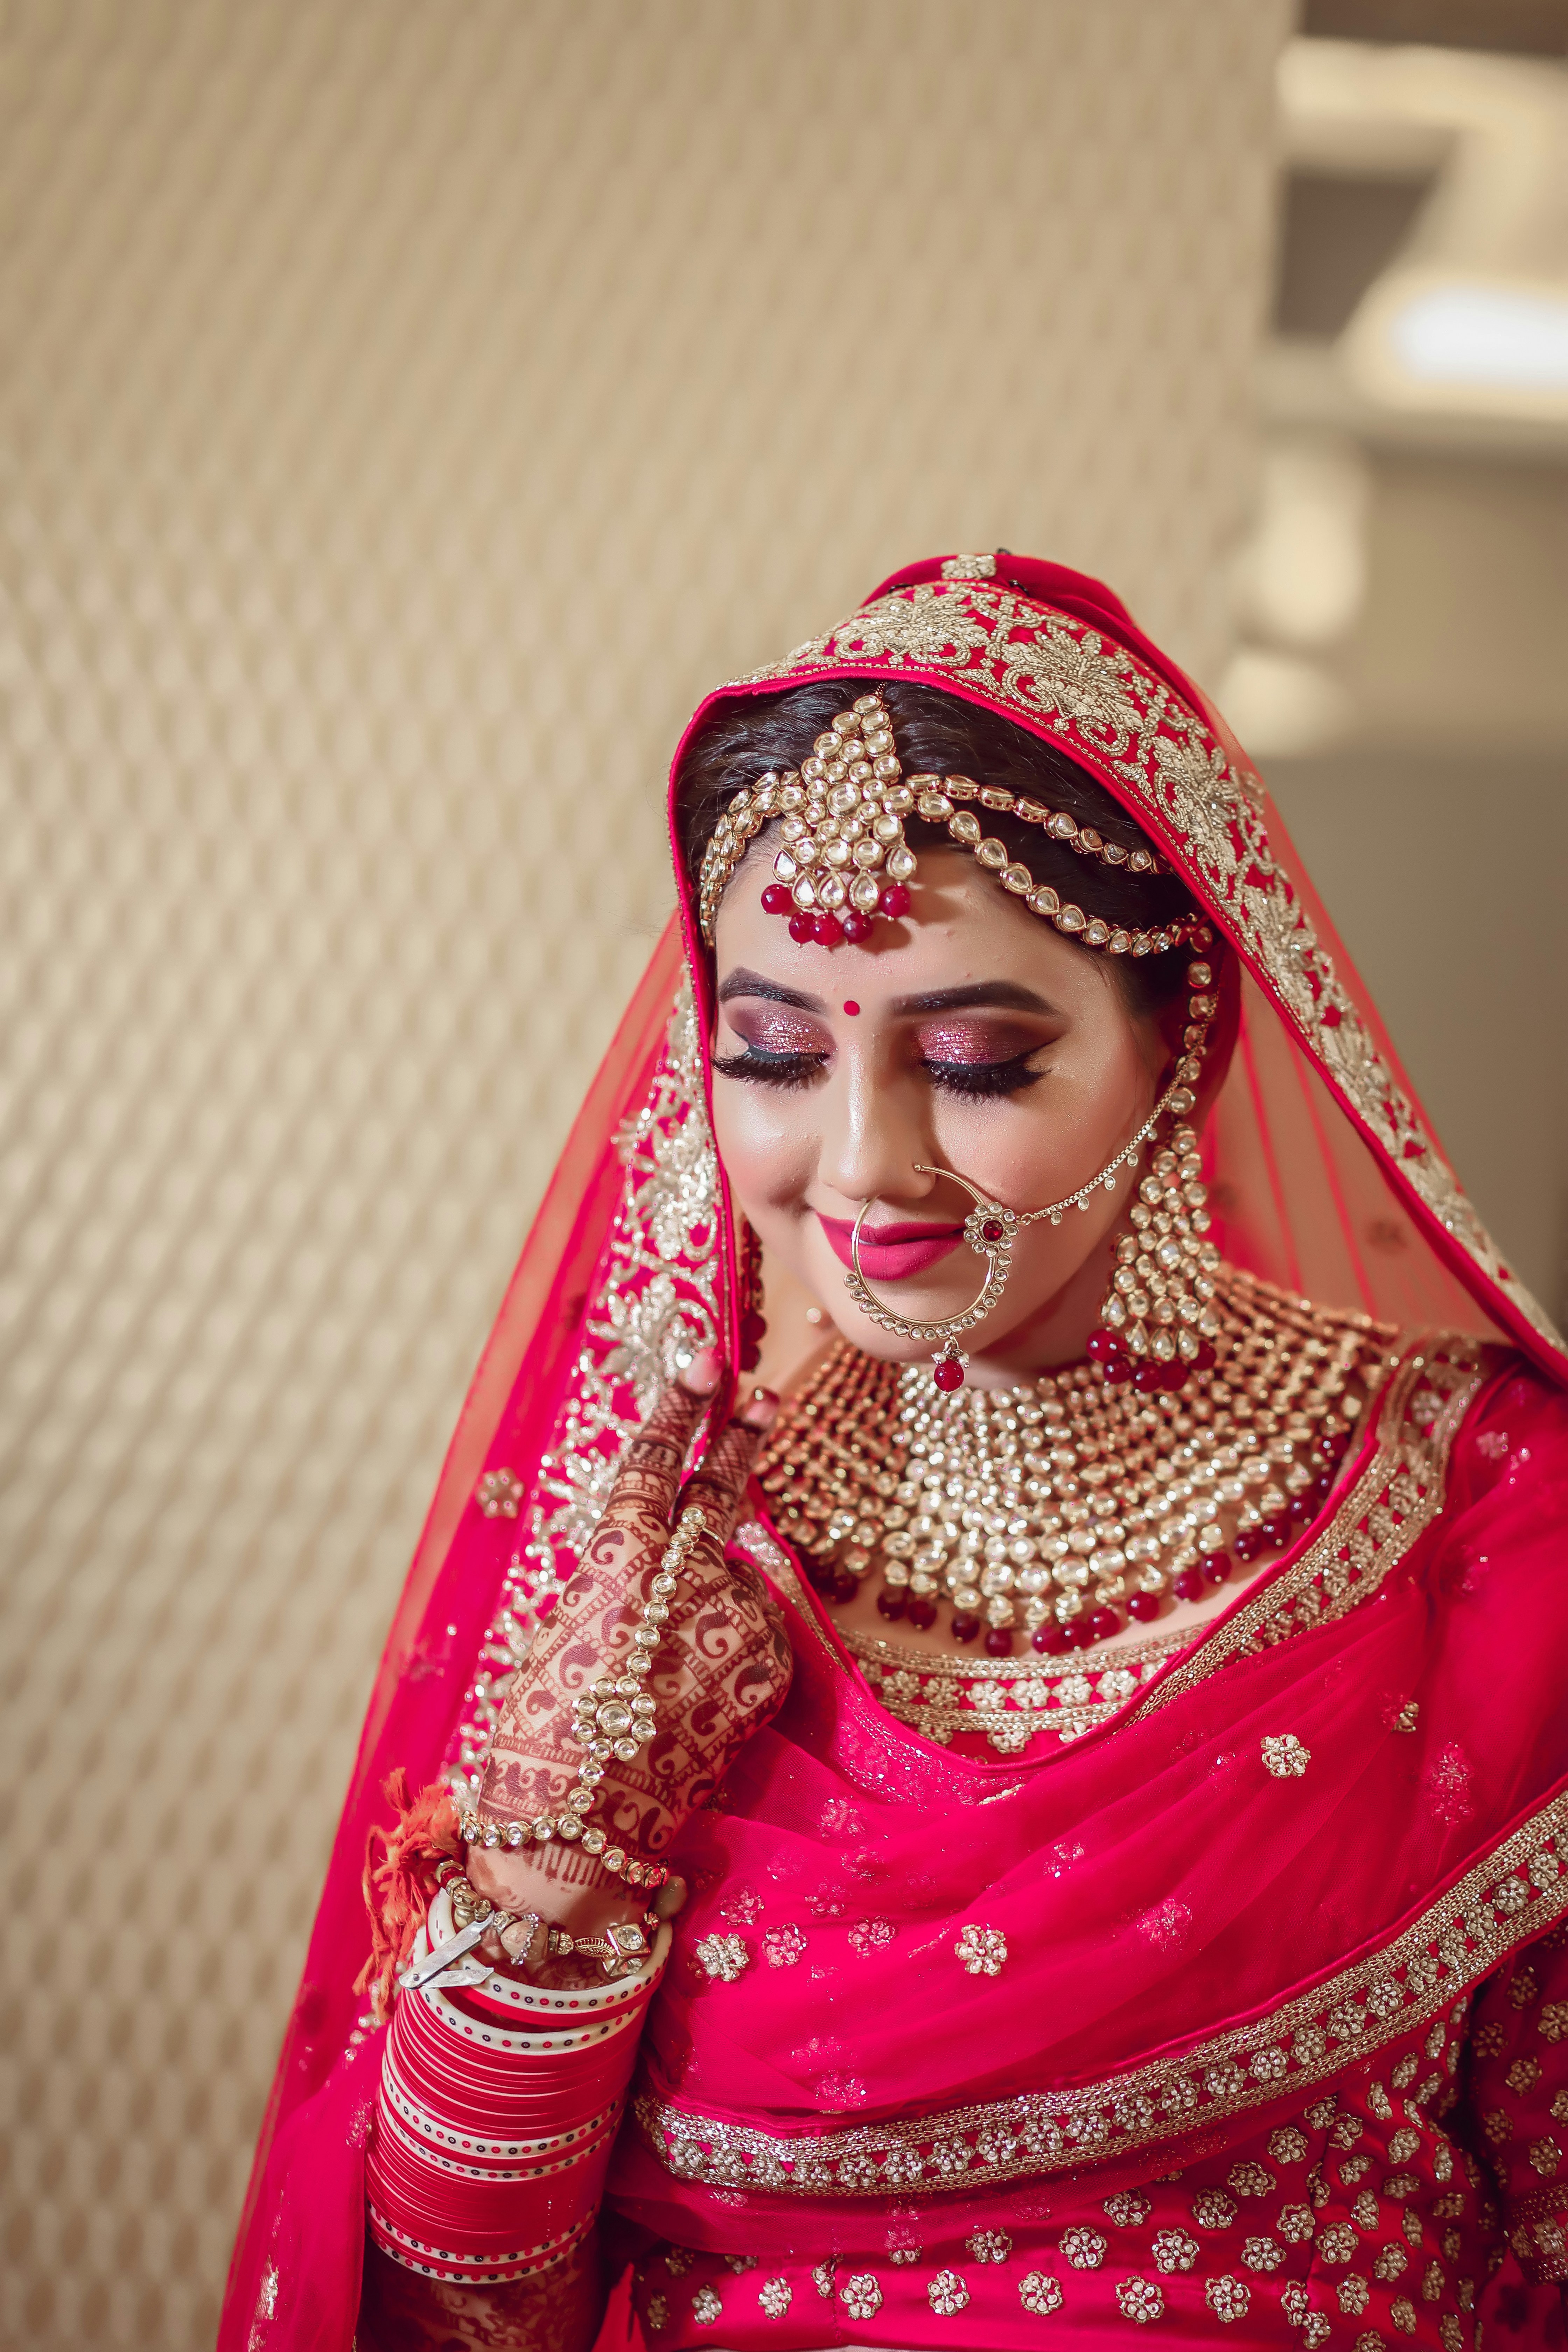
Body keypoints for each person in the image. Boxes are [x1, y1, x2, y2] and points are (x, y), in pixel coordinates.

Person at [222, 554, 1568, 2352]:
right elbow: (467, 2317)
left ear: (1184, 1038)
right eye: (776, 1054)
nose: (861, 1164)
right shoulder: (674, 1566)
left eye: (978, 1063)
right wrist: (548, 1893)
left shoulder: (1483, 1520)